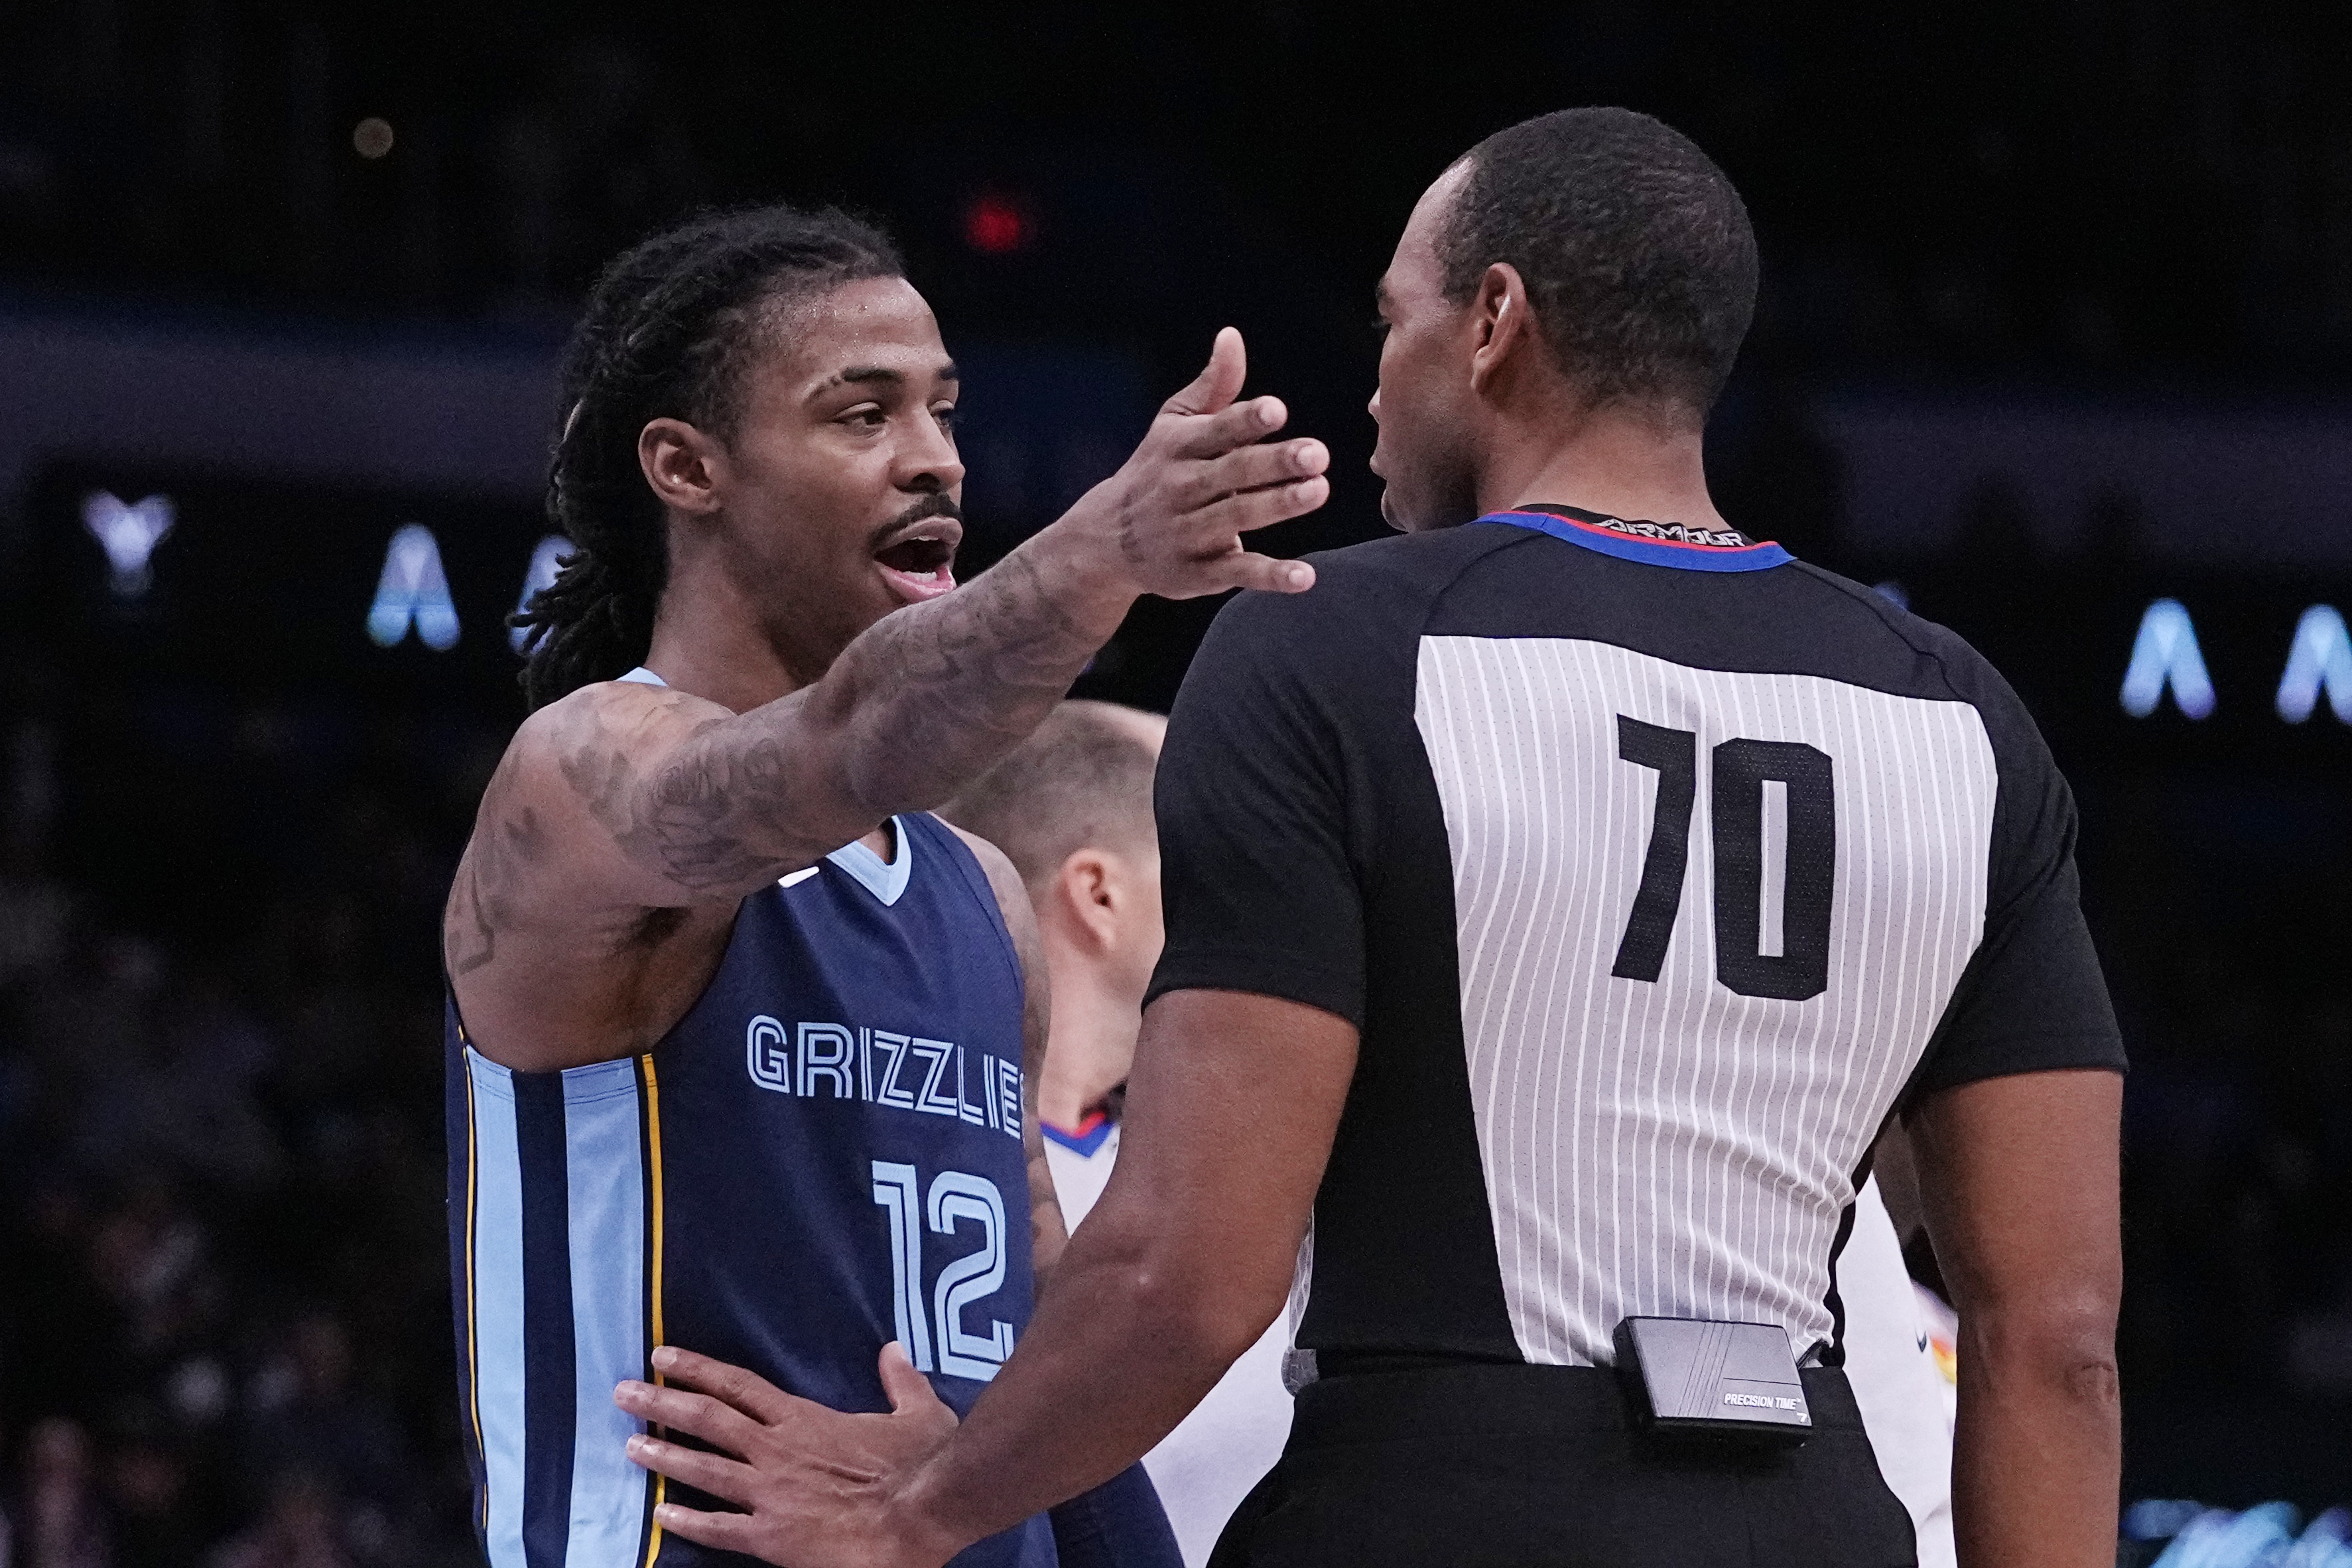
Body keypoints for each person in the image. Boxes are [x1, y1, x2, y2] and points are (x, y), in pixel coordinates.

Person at [612, 111, 2126, 1568]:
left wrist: (916, 1509)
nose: (1379, 384)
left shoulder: (1335, 648)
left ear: (1493, 324)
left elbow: (1189, 1272)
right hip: (1814, 1517)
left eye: (1394, 321)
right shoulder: (1967, 719)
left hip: (1431, 1506)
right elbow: (2055, 1343)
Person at [442, 200, 1332, 1568]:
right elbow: (848, 738)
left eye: (944, 411)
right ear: (688, 467)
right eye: (862, 417)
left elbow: (1048, 1366)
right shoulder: (579, 790)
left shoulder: (979, 892)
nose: (935, 462)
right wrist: (1103, 554)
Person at [945, 701, 1959, 1568]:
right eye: (1244, 842)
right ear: (1097, 893)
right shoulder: (980, 1170)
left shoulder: (1745, 1129)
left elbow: (1912, 1467)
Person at [936, 702, 1293, 1568]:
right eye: (1205, 869)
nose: (1254, 913)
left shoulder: (1252, 1169)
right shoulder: (957, 1180)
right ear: (1098, 895)